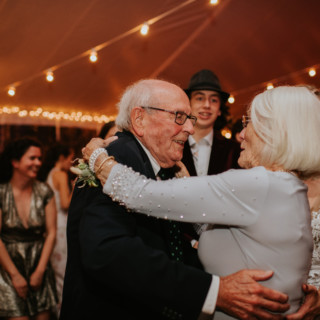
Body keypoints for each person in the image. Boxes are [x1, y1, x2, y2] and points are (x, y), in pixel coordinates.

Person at [82, 85, 320, 319]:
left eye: (249, 123)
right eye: (179, 117)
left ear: (276, 133)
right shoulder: (292, 187)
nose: (241, 133)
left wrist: (96, 156)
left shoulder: (259, 184)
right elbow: (232, 238)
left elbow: (137, 193)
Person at [0, 137, 58, 320]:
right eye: (32, 158)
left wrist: (40, 271)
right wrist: (15, 275)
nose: (38, 163)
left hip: (38, 263)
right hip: (9, 266)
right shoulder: (1, 193)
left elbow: (52, 233)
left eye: (40, 159)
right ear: (15, 162)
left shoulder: (44, 191)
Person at [182, 69, 240, 236]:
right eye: (199, 98)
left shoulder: (234, 150)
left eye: (213, 100)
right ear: (189, 105)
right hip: (181, 245)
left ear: (220, 109)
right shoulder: (172, 147)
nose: (206, 105)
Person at [37, 143, 74, 314]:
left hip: (51, 223)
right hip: (60, 225)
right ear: (62, 158)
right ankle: (62, 311)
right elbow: (66, 203)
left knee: (58, 271)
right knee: (64, 271)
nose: (71, 162)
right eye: (70, 158)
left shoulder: (49, 174)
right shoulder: (60, 174)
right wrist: (74, 189)